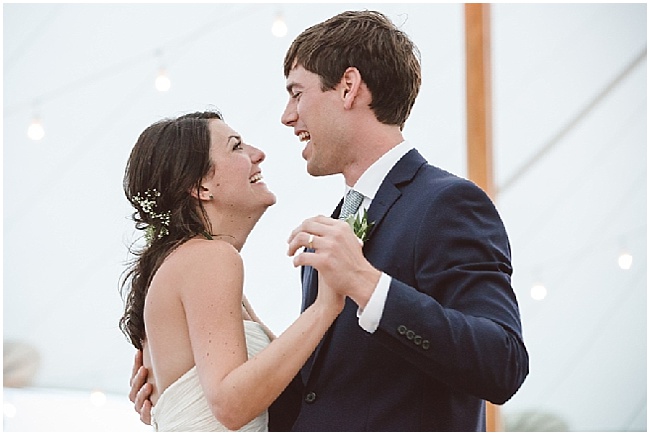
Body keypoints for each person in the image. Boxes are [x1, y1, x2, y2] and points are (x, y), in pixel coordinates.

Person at [130, 10, 529, 431]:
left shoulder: (446, 203)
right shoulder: (334, 228)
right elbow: (320, 401)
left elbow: (502, 362)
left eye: (297, 93)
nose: (287, 116)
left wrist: (368, 285)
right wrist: (183, 393)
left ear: (348, 88)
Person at [119, 110, 344, 431]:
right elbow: (230, 404)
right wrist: (326, 305)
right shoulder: (210, 258)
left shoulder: (184, 263)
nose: (257, 154)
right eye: (237, 146)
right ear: (200, 186)